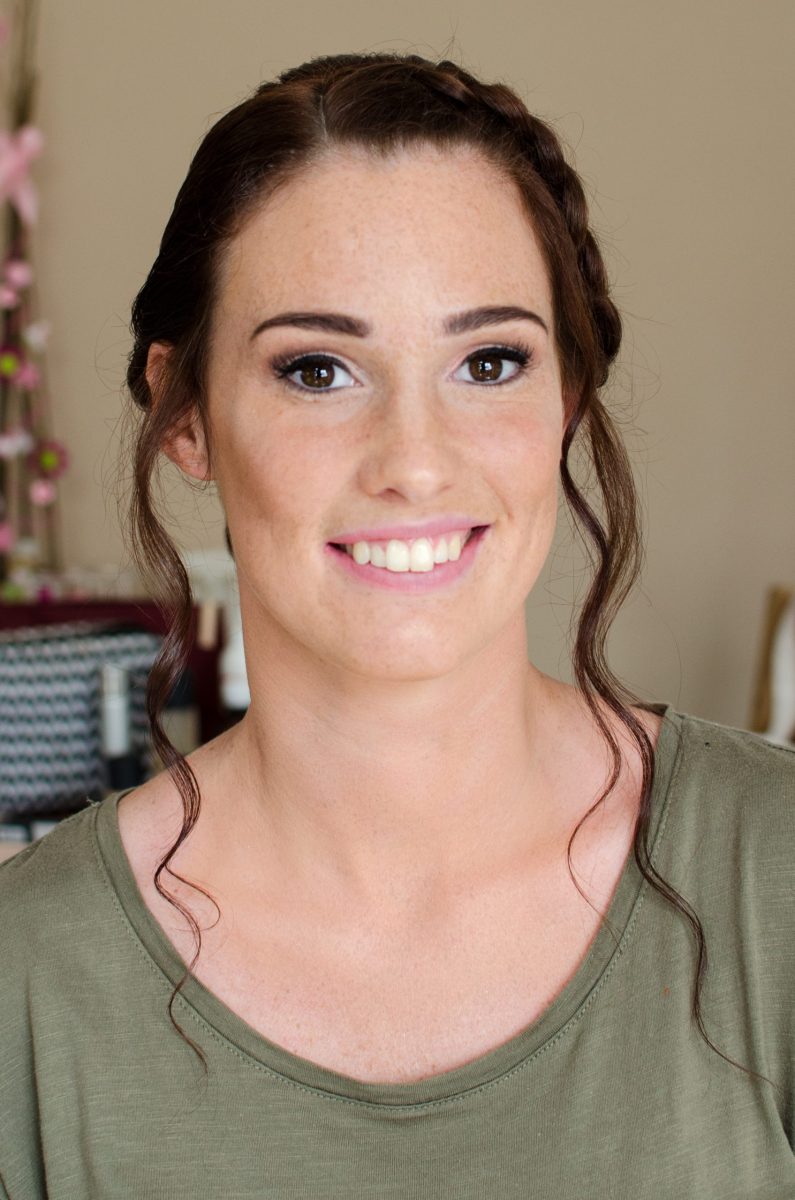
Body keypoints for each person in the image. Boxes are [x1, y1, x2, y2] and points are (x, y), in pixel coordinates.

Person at [1, 51, 793, 1199]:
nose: (415, 464)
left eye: (489, 361)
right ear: (186, 416)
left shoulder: (773, 872)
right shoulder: (26, 979)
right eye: (319, 371)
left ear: (566, 397)